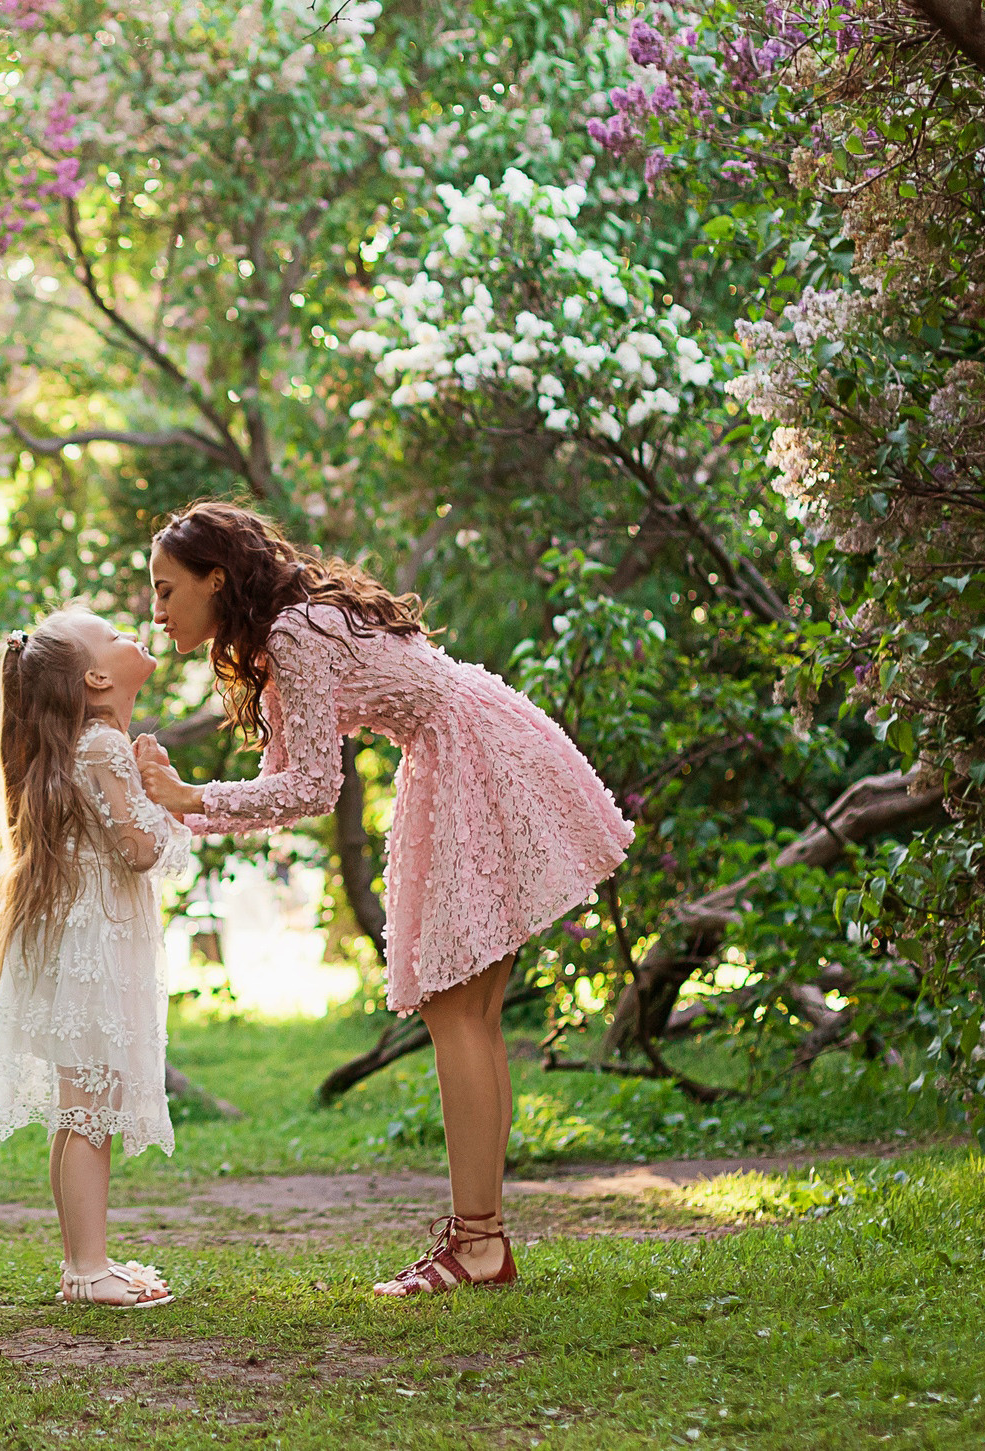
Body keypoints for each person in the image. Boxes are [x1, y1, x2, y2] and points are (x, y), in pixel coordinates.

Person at [134, 501, 632, 1297]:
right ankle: (482, 1241)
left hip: (469, 751)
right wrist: (188, 802)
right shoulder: (290, 629)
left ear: (215, 580)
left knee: (455, 1009)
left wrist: (187, 796)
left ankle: (476, 1242)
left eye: (166, 590)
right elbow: (290, 787)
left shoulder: (293, 634)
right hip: (470, 738)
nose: (156, 611)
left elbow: (309, 788)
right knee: (470, 1014)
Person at [0, 607, 188, 1310]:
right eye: (116, 633)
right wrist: (170, 797)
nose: (134, 634)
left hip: (90, 939)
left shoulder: (91, 744)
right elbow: (141, 849)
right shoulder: (101, 746)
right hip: (97, 945)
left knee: (81, 1108)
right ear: (97, 675)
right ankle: (88, 1270)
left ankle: (82, 1264)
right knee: (89, 1110)